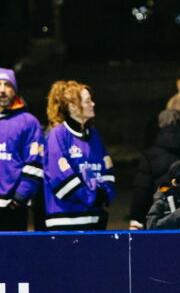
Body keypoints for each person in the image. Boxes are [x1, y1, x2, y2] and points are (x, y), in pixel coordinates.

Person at [42, 81, 115, 230]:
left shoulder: (94, 134)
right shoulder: (58, 135)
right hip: (66, 221)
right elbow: (59, 177)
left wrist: (105, 193)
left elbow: (107, 169)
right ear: (72, 107)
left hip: (94, 219)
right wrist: (92, 197)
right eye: (87, 101)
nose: (93, 104)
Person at [128, 109, 180, 229]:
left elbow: (142, 190)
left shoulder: (150, 154)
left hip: (162, 214)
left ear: (159, 124)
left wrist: (136, 219)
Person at [0, 68, 44, 231]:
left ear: (15, 90)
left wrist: (20, 198)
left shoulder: (28, 122)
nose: (2, 90)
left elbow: (35, 163)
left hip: (13, 207)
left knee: (13, 256)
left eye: (8, 85)